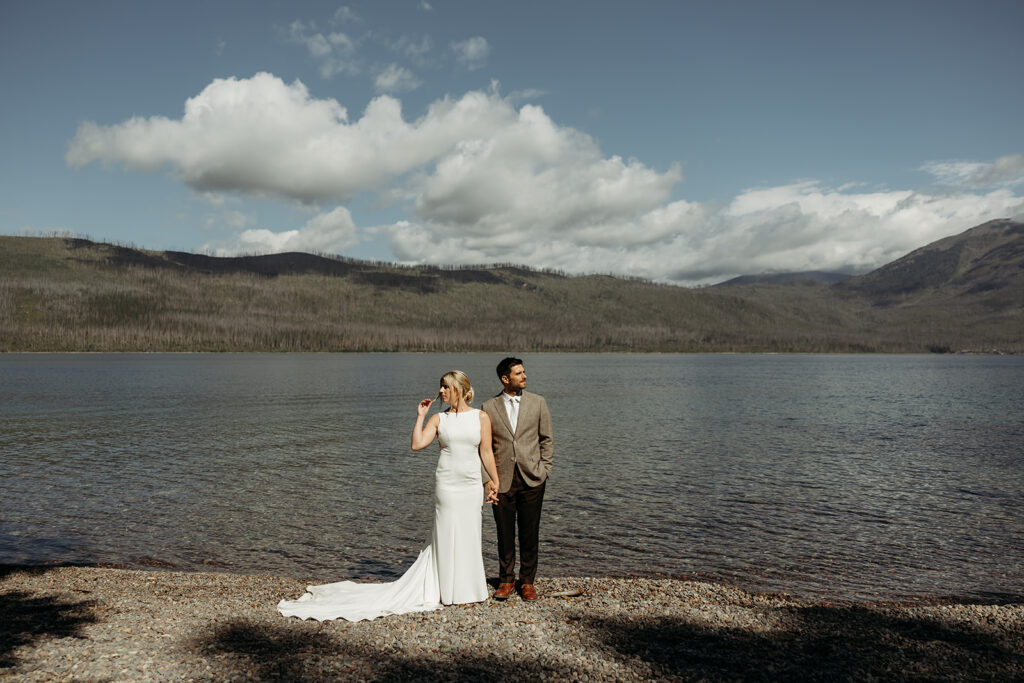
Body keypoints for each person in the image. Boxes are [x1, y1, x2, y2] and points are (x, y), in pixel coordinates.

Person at [277, 370, 500, 622]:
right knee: (447, 532)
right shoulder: (439, 419)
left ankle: (469, 589)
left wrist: (494, 481)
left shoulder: (481, 417)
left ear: (460, 389)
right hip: (447, 483)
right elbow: (417, 444)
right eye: (440, 386)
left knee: (470, 532)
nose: (441, 391)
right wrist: (420, 417)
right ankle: (448, 591)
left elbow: (487, 453)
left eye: (446, 387)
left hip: (470, 484)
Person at [481, 357, 553, 601]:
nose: (525, 376)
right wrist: (488, 480)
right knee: (504, 533)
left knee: (530, 532)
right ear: (505, 378)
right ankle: (506, 580)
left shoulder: (538, 402)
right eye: (519, 373)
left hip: (533, 478)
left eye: (524, 372)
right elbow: (485, 447)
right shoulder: (489, 407)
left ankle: (528, 582)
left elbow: (547, 439)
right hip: (501, 480)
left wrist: (545, 470)